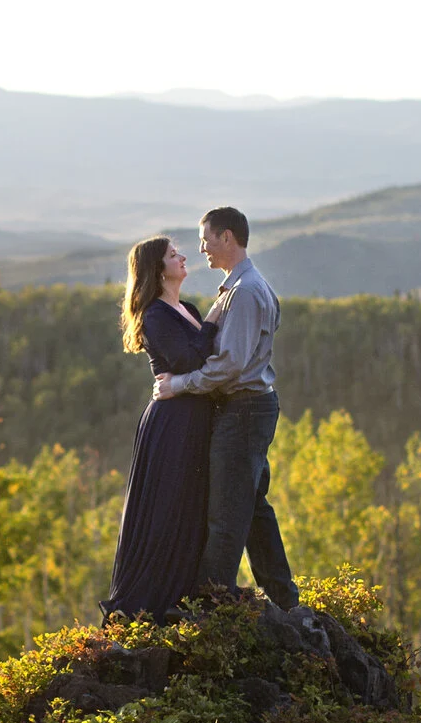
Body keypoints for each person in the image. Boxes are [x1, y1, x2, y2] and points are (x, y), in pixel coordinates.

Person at [152, 206, 304, 622]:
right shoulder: (236, 288)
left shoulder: (247, 291)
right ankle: (285, 597)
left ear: (228, 238)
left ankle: (211, 608)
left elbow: (230, 365)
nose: (200, 248)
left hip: (244, 408)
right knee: (253, 506)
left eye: (206, 239)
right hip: (246, 408)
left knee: (225, 513)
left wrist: (178, 385)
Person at [104, 235, 219, 618]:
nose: (183, 257)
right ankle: (151, 605)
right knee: (168, 509)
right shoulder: (154, 315)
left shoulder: (187, 307)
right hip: (173, 423)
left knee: (191, 506)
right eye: (174, 255)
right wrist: (215, 322)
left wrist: (209, 325)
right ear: (157, 269)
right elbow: (189, 360)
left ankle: (185, 593)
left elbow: (204, 356)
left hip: (193, 416)